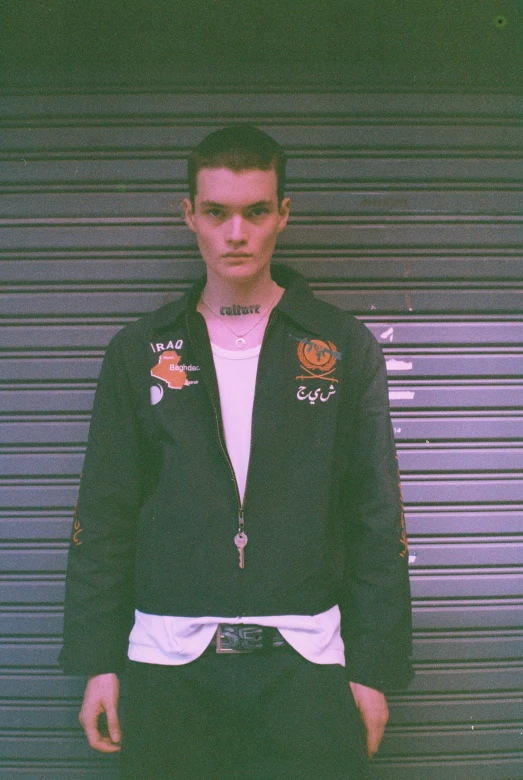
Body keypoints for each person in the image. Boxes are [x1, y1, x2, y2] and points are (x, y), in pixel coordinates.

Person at [59, 124, 413, 779]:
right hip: (168, 668)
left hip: (305, 666)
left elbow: (373, 515)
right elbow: (103, 513)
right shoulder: (139, 352)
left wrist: (372, 669)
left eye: (255, 211)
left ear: (283, 213)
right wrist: (98, 661)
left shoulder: (339, 348)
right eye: (216, 212)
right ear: (188, 214)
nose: (236, 233)